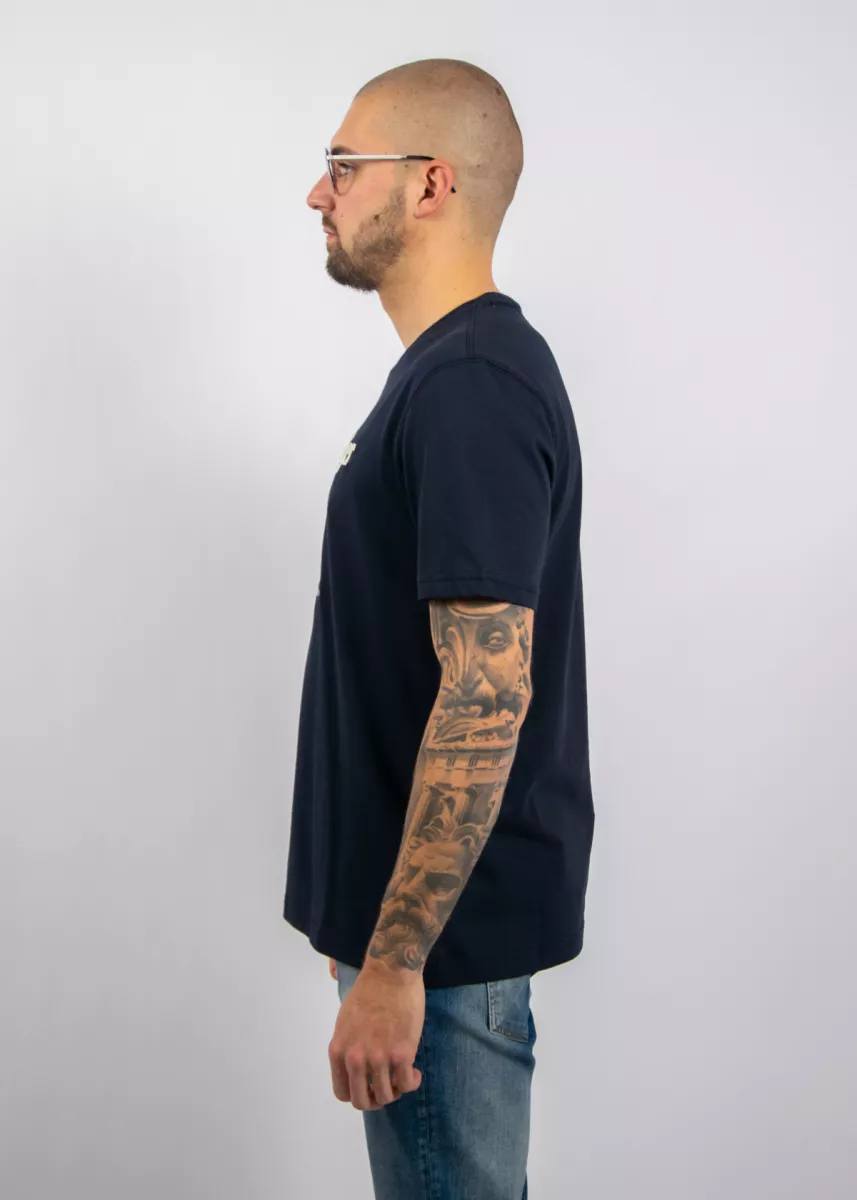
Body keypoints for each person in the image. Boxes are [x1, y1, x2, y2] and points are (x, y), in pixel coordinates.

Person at [283, 57, 595, 1200]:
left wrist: (397, 962)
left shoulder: (469, 387)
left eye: (342, 165)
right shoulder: (446, 377)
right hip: (423, 951)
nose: (316, 193)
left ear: (429, 184)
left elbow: (484, 693)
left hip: (441, 964)